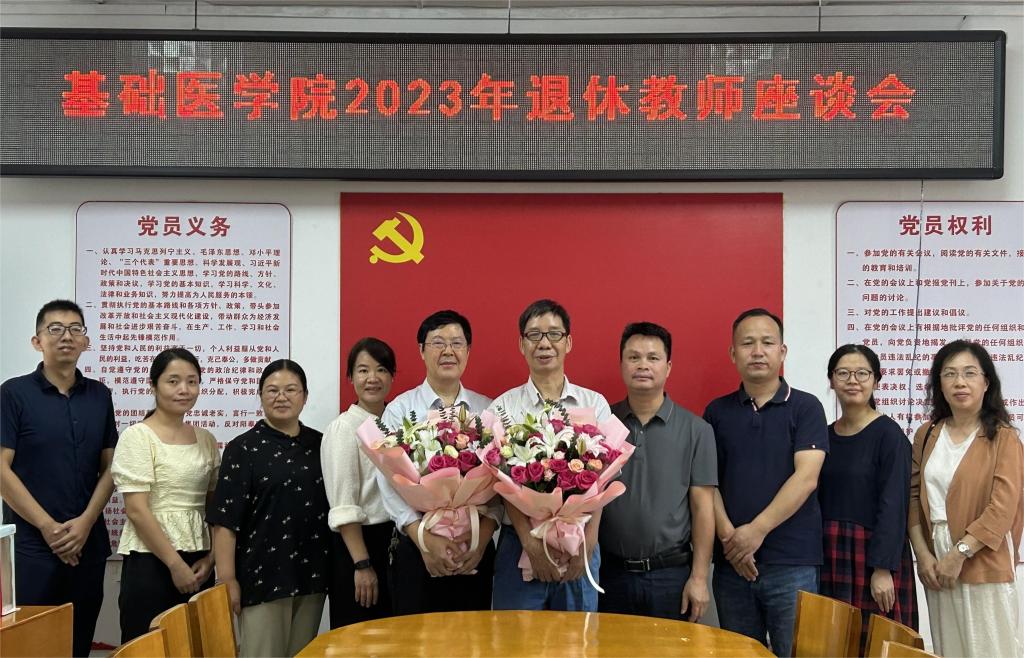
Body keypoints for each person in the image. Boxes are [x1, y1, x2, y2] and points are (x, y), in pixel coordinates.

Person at [702, 308, 827, 658]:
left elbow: (806, 478)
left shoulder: (806, 407)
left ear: (782, 352)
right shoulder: (716, 412)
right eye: (748, 343)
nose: (757, 351)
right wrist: (731, 540)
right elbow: (707, 483)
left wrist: (755, 531)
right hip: (732, 566)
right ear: (733, 354)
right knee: (737, 654)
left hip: (793, 563)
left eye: (767, 343)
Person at [1, 300, 118, 657]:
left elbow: (112, 467)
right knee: (29, 647)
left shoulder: (100, 395)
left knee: (78, 644)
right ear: (37, 341)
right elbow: (1, 469)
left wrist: (85, 522)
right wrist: (48, 527)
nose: (66, 336)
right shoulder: (13, 393)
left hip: (88, 543)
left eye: (75, 329)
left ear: (85, 341)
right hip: (31, 548)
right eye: (55, 329)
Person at [489, 298, 612, 612]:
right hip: (519, 541)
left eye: (554, 334)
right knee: (516, 637)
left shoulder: (594, 403)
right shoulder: (502, 408)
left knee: (577, 637)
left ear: (568, 342)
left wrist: (589, 543)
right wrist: (530, 543)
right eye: (534, 335)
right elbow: (500, 484)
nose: (544, 343)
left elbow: (604, 479)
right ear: (522, 344)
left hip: (580, 541)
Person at [377, 310, 497, 614]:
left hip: (473, 549)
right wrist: (424, 540)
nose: (448, 351)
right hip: (416, 550)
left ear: (468, 351)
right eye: (438, 343)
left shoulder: (487, 410)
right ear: (421, 350)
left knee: (474, 637)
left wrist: (480, 542)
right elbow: (387, 482)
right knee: (416, 637)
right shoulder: (399, 410)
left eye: (457, 343)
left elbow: (500, 484)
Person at [908, 339, 1023, 658]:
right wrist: (923, 555)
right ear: (939, 384)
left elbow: (1002, 509)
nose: (960, 382)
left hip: (982, 554)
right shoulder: (927, 434)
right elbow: (914, 499)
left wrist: (958, 554)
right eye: (950, 374)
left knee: (990, 649)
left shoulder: (1004, 437)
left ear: (987, 383)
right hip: (936, 558)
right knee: (949, 649)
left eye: (970, 373)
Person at [209, 360, 330, 657]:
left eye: (291, 390)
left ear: (305, 396)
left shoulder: (321, 445)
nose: (281, 397)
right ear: (260, 395)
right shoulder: (243, 448)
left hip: (312, 574)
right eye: (272, 390)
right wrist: (227, 579)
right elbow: (225, 521)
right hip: (261, 577)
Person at [599, 322, 717, 622]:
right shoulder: (601, 424)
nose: (643, 365)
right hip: (608, 574)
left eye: (653, 358)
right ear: (621, 365)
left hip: (671, 577)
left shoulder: (697, 430)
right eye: (634, 357)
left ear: (668, 367)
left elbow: (703, 508)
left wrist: (699, 578)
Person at [111, 348, 220, 642]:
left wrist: (212, 558)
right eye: (173, 381)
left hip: (199, 559)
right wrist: (175, 565)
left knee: (198, 644)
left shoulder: (206, 440)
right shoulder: (137, 436)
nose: (184, 389)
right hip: (151, 558)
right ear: (154, 385)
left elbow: (213, 506)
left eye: (192, 381)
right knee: (149, 644)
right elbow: (137, 510)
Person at [818, 345, 917, 652]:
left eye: (862, 373)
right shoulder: (823, 435)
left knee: (876, 646)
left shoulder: (889, 435)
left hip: (871, 555)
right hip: (830, 553)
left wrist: (883, 568)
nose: (853, 380)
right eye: (843, 373)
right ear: (831, 380)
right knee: (833, 645)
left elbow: (894, 505)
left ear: (876, 380)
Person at [321, 338, 397, 627]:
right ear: (351, 377)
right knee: (361, 635)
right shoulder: (343, 428)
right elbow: (343, 504)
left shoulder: (397, 423)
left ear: (391, 376)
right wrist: (362, 564)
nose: (372, 378)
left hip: (393, 543)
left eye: (381, 370)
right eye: (363, 370)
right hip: (359, 546)